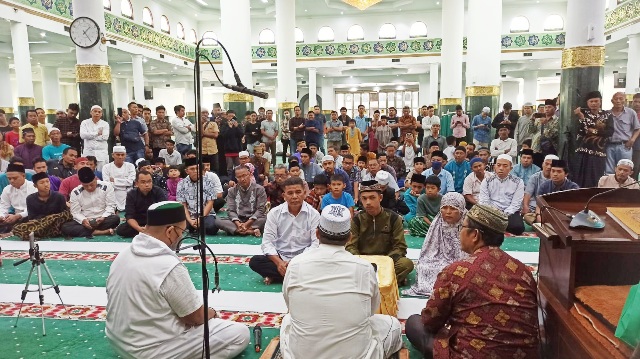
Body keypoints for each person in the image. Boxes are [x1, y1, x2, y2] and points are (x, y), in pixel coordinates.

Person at [105, 201, 249, 358]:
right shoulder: (167, 265)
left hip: (118, 342)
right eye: (181, 231)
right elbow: (195, 317)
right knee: (239, 334)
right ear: (170, 231)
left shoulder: (123, 254)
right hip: (149, 351)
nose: (181, 236)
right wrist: (213, 313)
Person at [405, 204, 539, 359]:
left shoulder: (456, 271)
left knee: (414, 323)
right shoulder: (523, 272)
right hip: (523, 354)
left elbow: (430, 320)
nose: (459, 232)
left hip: (471, 354)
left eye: (462, 227)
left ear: (475, 235)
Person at [279, 203, 403, 359]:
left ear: (317, 234)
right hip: (358, 355)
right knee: (393, 324)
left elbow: (290, 305)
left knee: (287, 320)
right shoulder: (364, 268)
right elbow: (371, 311)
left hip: (301, 355)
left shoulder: (296, 264)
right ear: (349, 238)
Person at [249, 177, 320, 284]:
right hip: (280, 257)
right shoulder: (274, 213)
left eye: (298, 192)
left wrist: (295, 262)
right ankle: (297, 276)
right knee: (255, 262)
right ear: (284, 196)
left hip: (304, 259)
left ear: (305, 193)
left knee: (321, 263)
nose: (295, 196)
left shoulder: (314, 214)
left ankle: (279, 276)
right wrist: (279, 263)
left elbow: (315, 244)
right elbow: (267, 243)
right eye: (290, 193)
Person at [346, 180, 414, 284]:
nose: (368, 202)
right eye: (364, 198)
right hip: (363, 262)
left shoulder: (393, 218)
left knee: (406, 264)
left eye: (372, 198)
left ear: (380, 198)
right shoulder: (357, 220)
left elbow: (400, 247)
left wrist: (384, 262)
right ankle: (388, 281)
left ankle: (366, 281)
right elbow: (350, 246)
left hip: (386, 260)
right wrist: (363, 262)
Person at [404, 192, 468, 297]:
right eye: (444, 208)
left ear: (461, 210)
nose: (448, 212)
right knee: (424, 267)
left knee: (462, 271)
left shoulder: (468, 224)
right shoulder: (438, 222)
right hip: (438, 258)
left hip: (462, 261)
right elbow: (429, 249)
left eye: (453, 209)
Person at [62, 167, 120, 238]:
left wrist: (103, 217)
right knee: (65, 227)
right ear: (81, 183)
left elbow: (111, 206)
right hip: (86, 221)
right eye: (86, 186)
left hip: (103, 219)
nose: (89, 188)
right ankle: (100, 232)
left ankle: (88, 232)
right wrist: (83, 220)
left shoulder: (107, 186)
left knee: (115, 219)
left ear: (96, 179)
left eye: (92, 184)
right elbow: (75, 212)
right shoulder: (75, 192)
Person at [12, 172, 72, 240]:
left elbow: (64, 215)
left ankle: (38, 234)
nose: (46, 184)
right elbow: (32, 217)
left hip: (56, 225)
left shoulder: (59, 196)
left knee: (67, 227)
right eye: (42, 183)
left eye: (47, 181)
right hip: (39, 225)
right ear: (35, 186)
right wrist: (44, 221)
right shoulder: (30, 199)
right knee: (17, 228)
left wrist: (51, 219)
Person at [572, 91, 615, 187]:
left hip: (598, 152)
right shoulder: (583, 114)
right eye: (591, 101)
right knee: (580, 177)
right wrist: (583, 119)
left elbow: (610, 132)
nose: (594, 103)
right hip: (583, 151)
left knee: (596, 177)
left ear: (600, 102)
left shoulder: (607, 115)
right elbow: (580, 132)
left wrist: (594, 131)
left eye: (596, 101)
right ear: (587, 103)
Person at [479, 154, 525, 235]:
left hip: (510, 212)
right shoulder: (487, 181)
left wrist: (503, 215)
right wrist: (494, 214)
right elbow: (484, 201)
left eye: (505, 166)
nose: (501, 168)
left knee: (518, 228)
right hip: (491, 212)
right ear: (494, 167)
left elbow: (516, 204)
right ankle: (499, 226)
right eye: (499, 165)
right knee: (479, 224)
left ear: (511, 168)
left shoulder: (518, 182)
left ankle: (496, 227)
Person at [217, 165, 267, 236]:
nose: (242, 179)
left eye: (244, 175)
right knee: (217, 221)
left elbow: (261, 209)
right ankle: (251, 231)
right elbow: (231, 210)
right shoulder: (232, 191)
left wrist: (247, 223)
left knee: (267, 218)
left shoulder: (259, 189)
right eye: (239, 177)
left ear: (250, 175)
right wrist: (238, 223)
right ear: (236, 178)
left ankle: (237, 231)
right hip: (237, 220)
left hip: (254, 219)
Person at [116, 170, 168, 238]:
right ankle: (147, 233)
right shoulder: (131, 194)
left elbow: (164, 211)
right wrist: (138, 228)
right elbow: (129, 216)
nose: (147, 185)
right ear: (137, 183)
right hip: (138, 221)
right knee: (121, 230)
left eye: (149, 181)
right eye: (143, 182)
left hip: (154, 221)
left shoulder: (158, 191)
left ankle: (147, 232)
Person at [176, 158, 219, 235]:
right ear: (187, 171)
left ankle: (195, 228)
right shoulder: (181, 184)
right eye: (192, 169)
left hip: (206, 215)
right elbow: (183, 204)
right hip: (189, 215)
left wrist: (200, 219)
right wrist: (189, 220)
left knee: (211, 228)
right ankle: (194, 227)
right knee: (177, 226)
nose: (195, 171)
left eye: (197, 168)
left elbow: (210, 203)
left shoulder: (209, 182)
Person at [607, 92, 640, 174]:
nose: (618, 101)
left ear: (625, 101)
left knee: (625, 170)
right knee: (609, 171)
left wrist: (632, 140)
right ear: (612, 101)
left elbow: (637, 128)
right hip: (609, 146)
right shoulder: (607, 114)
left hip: (625, 146)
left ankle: (623, 187)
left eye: (621, 99)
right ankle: (610, 187)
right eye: (616, 99)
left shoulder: (631, 113)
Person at [0, 163, 37, 234]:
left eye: (15, 178)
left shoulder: (33, 187)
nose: (12, 181)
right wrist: (2, 216)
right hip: (13, 218)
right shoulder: (7, 189)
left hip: (31, 217)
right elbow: (3, 207)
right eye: (9, 178)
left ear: (23, 176)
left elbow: (33, 209)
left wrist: (18, 216)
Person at [522, 154, 558, 225]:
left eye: (551, 165)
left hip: (553, 208)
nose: (548, 167)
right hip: (535, 206)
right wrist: (525, 206)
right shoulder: (535, 177)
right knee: (527, 215)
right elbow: (528, 193)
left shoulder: (559, 179)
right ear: (542, 164)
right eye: (546, 164)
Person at [102, 146, 137, 212]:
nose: (120, 157)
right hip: (112, 194)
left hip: (127, 193)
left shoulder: (130, 166)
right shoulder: (106, 167)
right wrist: (124, 183)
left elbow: (131, 182)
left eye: (122, 155)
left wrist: (115, 180)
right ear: (113, 155)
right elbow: (107, 185)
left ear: (126, 155)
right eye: (118, 154)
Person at [530, 99, 560, 166]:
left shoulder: (557, 120)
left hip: (550, 149)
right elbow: (530, 131)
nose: (547, 109)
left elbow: (553, 134)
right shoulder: (538, 119)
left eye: (549, 107)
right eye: (545, 107)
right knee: (537, 168)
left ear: (555, 108)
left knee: (549, 168)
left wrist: (546, 124)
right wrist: (531, 120)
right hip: (537, 148)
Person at [80, 105, 110, 170]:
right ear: (91, 112)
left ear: (101, 114)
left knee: (102, 172)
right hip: (89, 152)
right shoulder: (85, 123)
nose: (97, 113)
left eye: (99, 112)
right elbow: (82, 135)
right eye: (95, 111)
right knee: (87, 171)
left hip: (101, 153)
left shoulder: (105, 124)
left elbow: (105, 137)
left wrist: (89, 135)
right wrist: (97, 134)